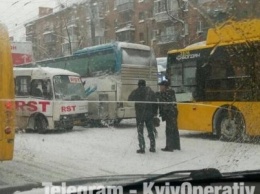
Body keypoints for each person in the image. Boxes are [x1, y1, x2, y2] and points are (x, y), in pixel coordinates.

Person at [128, 79, 158, 154]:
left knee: (140, 131)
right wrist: (154, 113)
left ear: (138, 85)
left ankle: (142, 147)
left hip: (140, 115)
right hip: (149, 114)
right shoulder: (150, 91)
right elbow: (155, 103)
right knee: (150, 131)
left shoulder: (136, 91)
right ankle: (152, 147)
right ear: (145, 84)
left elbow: (129, 99)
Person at [158, 80, 180, 152]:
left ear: (164, 86)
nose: (160, 87)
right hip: (173, 112)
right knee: (174, 129)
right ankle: (176, 146)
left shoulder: (166, 92)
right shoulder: (170, 91)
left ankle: (169, 147)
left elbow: (164, 104)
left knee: (169, 130)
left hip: (170, 113)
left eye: (161, 86)